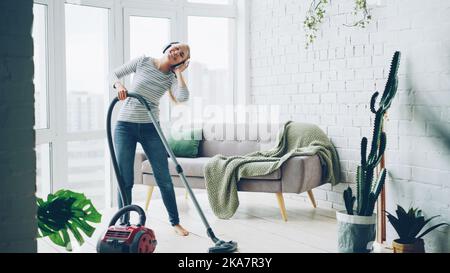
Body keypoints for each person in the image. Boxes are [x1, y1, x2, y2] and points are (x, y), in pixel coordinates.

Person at [110, 42, 190, 236]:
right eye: (176, 48)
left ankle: (175, 222)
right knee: (125, 179)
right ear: (168, 47)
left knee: (164, 178)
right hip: (124, 127)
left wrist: (179, 73)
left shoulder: (170, 78)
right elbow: (113, 74)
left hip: (151, 128)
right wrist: (119, 85)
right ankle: (123, 224)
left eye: (181, 55)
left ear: (181, 62)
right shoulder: (142, 61)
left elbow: (183, 96)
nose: (176, 53)